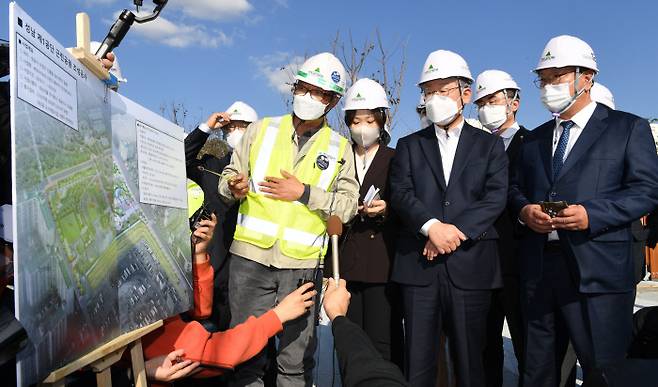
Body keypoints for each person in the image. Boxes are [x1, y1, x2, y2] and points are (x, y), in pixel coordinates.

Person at [508, 35, 658, 386]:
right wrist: (524, 211)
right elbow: (515, 189)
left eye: (556, 76)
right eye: (543, 79)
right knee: (538, 370)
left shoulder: (627, 128)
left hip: (599, 273)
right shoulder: (534, 139)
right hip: (540, 270)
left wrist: (593, 215)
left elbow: (647, 190)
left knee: (604, 370)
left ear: (586, 76)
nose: (548, 86)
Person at [218, 52, 359, 387]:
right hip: (249, 261)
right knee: (246, 356)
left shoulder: (339, 148)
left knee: (295, 362)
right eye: (304, 87)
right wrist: (233, 187)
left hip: (303, 267)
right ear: (294, 87)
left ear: (333, 101)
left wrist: (305, 193)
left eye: (319, 93)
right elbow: (228, 178)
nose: (308, 97)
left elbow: (348, 207)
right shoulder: (261, 130)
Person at [389, 49, 508, 387]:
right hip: (419, 270)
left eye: (444, 90)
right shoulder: (409, 145)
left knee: (472, 362)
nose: (435, 98)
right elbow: (401, 193)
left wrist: (452, 232)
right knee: (419, 363)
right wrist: (431, 227)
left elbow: (494, 197)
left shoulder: (489, 146)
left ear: (465, 94)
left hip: (471, 267)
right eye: (429, 92)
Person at [142, 214, 318, 385]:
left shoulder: (142, 276)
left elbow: (200, 311)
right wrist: (277, 316)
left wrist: (198, 255)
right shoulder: (143, 321)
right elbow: (215, 351)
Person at [324, 78, 403, 365]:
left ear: (382, 121)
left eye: (369, 120)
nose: (362, 127)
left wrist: (386, 209)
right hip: (344, 260)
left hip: (382, 261)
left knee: (383, 339)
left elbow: (406, 202)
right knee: (348, 337)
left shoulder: (395, 157)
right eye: (356, 121)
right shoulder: (337, 156)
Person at [473, 69, 527, 387]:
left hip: (517, 263)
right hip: (479, 263)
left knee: (525, 343)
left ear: (513, 103)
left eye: (492, 100)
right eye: (480, 103)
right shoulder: (474, 149)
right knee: (484, 345)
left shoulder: (532, 143)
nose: (486, 109)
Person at [185, 101, 258, 331]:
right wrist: (207, 127)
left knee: (253, 333)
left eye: (240, 126)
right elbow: (181, 158)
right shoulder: (212, 166)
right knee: (215, 333)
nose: (233, 132)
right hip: (216, 267)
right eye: (228, 128)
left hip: (253, 267)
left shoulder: (268, 168)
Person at [323, 278, 408, 387]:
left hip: (382, 275)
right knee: (351, 350)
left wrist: (337, 315)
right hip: (349, 272)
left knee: (381, 346)